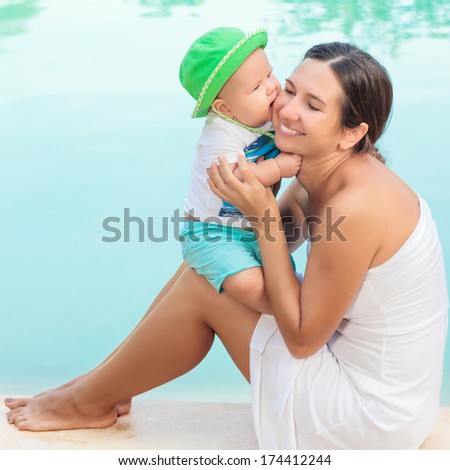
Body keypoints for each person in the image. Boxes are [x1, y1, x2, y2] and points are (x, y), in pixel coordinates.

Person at [5, 41, 448, 450]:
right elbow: (274, 239)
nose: (287, 111)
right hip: (368, 383)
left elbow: (302, 338)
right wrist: (241, 205)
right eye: (288, 90)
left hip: (364, 422)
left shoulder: (356, 208)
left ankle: (90, 398)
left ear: (351, 133)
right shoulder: (327, 169)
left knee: (210, 281)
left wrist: (263, 215)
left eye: (312, 105)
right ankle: (101, 388)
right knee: (209, 257)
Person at [179, 27, 300, 314]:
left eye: (270, 75)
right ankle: (280, 309)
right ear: (225, 109)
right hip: (211, 233)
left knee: (282, 276)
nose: (271, 87)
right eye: (257, 87)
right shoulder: (220, 135)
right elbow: (233, 182)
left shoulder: (264, 115)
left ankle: (291, 299)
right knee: (251, 287)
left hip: (252, 228)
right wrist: (278, 167)